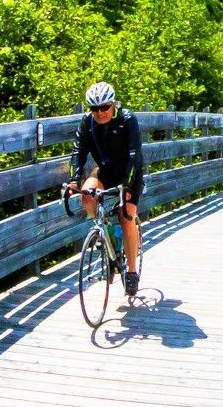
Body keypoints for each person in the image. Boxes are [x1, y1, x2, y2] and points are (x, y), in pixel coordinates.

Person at [68, 81, 145, 295]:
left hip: (130, 173)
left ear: (113, 105)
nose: (100, 113)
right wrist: (74, 180)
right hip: (105, 171)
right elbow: (78, 153)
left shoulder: (128, 120)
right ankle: (107, 235)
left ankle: (131, 272)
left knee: (127, 214)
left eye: (104, 107)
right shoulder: (87, 123)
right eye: (94, 108)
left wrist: (128, 186)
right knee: (87, 197)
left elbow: (134, 155)